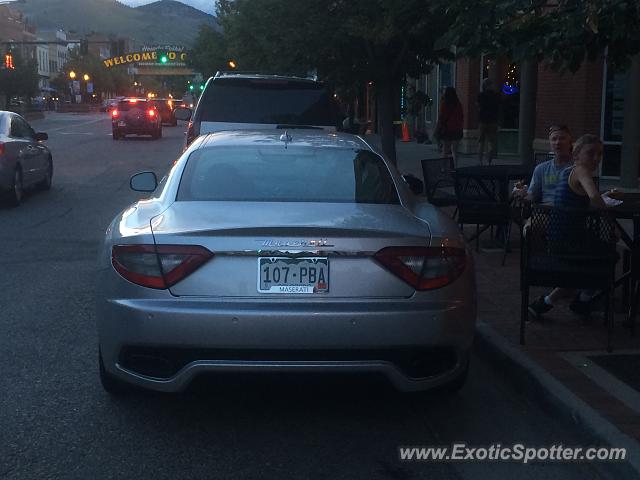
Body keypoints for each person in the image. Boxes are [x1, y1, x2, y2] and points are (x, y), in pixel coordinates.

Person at [528, 134, 608, 320]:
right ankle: (584, 299)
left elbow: (580, 201)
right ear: (577, 155)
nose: (596, 158)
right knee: (607, 257)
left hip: (557, 239)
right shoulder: (581, 171)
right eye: (591, 153)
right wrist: (609, 214)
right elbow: (595, 198)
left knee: (590, 261)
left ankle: (547, 302)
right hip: (569, 243)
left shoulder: (567, 172)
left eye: (600, 154)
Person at [513, 124, 574, 204]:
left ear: (570, 143)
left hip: (569, 213)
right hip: (543, 214)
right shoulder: (541, 169)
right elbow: (533, 196)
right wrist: (522, 195)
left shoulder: (576, 168)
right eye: (554, 139)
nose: (558, 142)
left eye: (562, 138)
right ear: (550, 144)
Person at [436, 87, 464, 168]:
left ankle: (443, 167)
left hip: (447, 129)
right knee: (455, 150)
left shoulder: (445, 104)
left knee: (445, 150)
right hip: (457, 129)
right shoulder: (458, 104)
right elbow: (461, 116)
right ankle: (456, 167)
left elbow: (441, 117)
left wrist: (438, 128)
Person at [477, 79, 500, 165]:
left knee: (481, 141)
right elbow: (498, 108)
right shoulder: (495, 96)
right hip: (493, 121)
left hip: (482, 121)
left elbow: (478, 107)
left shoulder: (480, 95)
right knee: (491, 141)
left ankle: (480, 161)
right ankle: (489, 160)